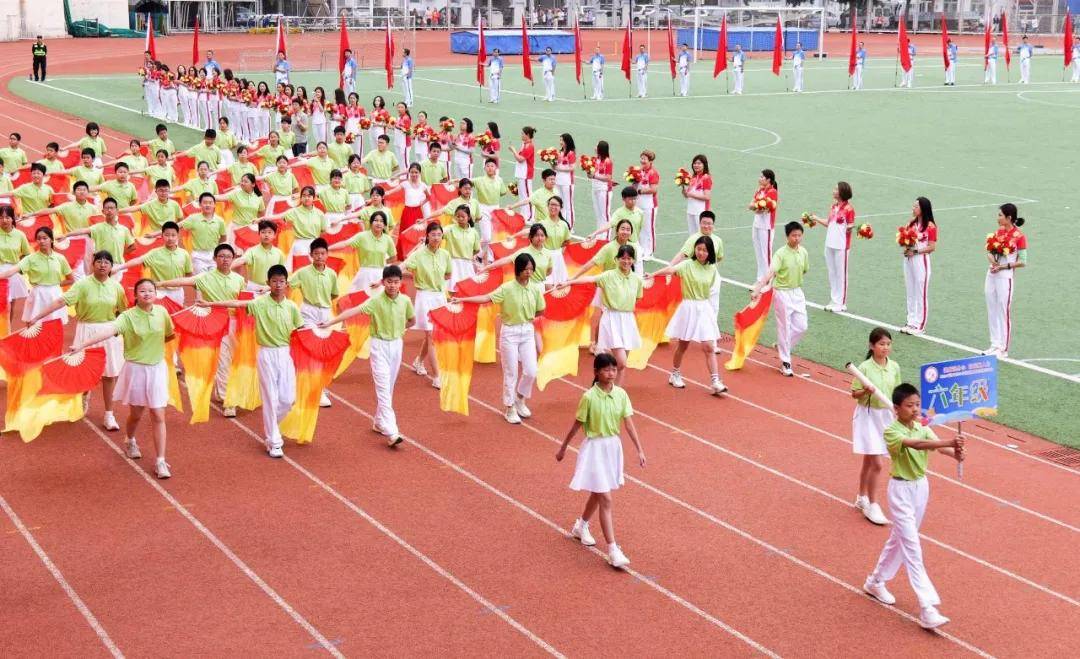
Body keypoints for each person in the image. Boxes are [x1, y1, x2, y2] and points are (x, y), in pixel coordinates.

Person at [863, 383, 964, 630]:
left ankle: (875, 581)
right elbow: (917, 445)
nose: (915, 409)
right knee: (912, 546)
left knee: (898, 540)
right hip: (900, 491)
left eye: (917, 404)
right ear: (897, 409)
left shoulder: (922, 427)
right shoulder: (892, 432)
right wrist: (948, 441)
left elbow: (940, 448)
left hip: (921, 488)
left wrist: (957, 452)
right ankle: (927, 607)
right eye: (910, 406)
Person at [68, 279, 176, 479]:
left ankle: (160, 461)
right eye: (142, 290)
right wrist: (83, 344)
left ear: (156, 294)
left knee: (158, 415)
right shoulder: (127, 317)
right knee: (136, 414)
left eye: (150, 290)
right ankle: (130, 439)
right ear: (135, 295)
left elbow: (170, 335)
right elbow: (107, 331)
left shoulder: (162, 313)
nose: (146, 293)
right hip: (136, 369)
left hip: (157, 369)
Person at [200, 264, 302, 457]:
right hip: (266, 354)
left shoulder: (292, 307)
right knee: (270, 397)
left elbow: (300, 331)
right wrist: (209, 304)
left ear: (287, 284)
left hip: (284, 354)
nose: (278, 285)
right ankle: (274, 441)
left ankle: (273, 427)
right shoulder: (260, 303)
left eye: (281, 281)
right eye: (274, 281)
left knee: (288, 400)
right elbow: (237, 303)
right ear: (268, 283)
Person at [556, 352, 645, 570]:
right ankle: (613, 550)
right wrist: (563, 448)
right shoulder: (588, 397)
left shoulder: (622, 394)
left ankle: (581, 526)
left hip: (613, 447)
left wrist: (639, 450)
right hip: (594, 448)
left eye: (613, 369)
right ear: (596, 372)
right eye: (606, 370)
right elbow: (577, 425)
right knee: (606, 498)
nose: (611, 373)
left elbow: (629, 424)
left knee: (597, 494)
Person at [27, 251, 126, 430]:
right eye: (99, 261)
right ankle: (84, 396)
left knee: (109, 375)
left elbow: (123, 312)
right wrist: (37, 317)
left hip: (108, 331)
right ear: (93, 264)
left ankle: (109, 414)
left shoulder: (116, 287)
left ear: (111, 267)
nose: (103, 265)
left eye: (107, 262)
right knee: (85, 372)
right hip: (86, 330)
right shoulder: (82, 285)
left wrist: (120, 332)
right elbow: (60, 302)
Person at [323, 264, 414, 446]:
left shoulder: (405, 301)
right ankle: (392, 431)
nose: (393, 285)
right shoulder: (375, 301)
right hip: (379, 346)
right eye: (389, 282)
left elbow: (411, 321)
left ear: (401, 283)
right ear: (383, 282)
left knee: (389, 387)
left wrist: (399, 330)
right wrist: (330, 322)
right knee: (383, 389)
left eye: (396, 282)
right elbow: (353, 311)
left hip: (396, 345)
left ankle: (379, 422)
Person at [453, 253, 546, 424]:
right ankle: (509, 407)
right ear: (518, 270)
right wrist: (463, 299)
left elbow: (541, 310)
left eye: (531, 269)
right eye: (526, 269)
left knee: (532, 371)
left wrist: (530, 317)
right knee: (511, 372)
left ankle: (520, 398)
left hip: (527, 331)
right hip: (510, 332)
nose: (529, 272)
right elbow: (486, 298)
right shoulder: (506, 288)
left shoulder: (535, 289)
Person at [157, 243, 246, 416]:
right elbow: (183, 281)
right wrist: (159, 283)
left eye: (228, 256)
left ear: (233, 259)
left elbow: (244, 300)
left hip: (234, 323)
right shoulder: (204, 277)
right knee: (223, 360)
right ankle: (228, 401)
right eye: (221, 256)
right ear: (214, 259)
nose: (225, 260)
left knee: (233, 360)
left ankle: (223, 392)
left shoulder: (239, 280)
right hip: (213, 323)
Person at [648, 237, 727, 395]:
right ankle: (675, 373)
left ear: (709, 252)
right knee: (683, 345)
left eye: (704, 250)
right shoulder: (687, 265)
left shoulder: (712, 269)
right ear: (694, 250)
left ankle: (715, 381)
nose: (701, 253)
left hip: (704, 308)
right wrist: (653, 274)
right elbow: (670, 269)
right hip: (688, 307)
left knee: (709, 346)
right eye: (698, 249)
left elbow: (712, 288)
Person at [560, 244, 642, 384]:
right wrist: (570, 282)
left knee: (622, 364)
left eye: (629, 258)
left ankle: (616, 392)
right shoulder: (608, 276)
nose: (626, 261)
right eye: (623, 258)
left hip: (628, 319)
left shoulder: (636, 280)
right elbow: (589, 279)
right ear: (616, 260)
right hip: (612, 318)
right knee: (621, 362)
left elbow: (638, 298)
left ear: (633, 260)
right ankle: (601, 380)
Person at [851, 328, 900, 526]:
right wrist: (865, 390)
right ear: (872, 346)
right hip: (868, 416)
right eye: (881, 344)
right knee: (878, 464)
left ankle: (861, 496)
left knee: (868, 461)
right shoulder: (864, 368)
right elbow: (854, 394)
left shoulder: (894, 367)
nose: (885, 347)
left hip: (886, 417)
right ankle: (873, 504)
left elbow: (896, 392)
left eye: (888, 344)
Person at [751, 222, 808, 377]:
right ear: (787, 237)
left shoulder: (803, 252)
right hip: (782, 293)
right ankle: (785, 362)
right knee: (785, 327)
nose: (797, 238)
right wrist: (758, 288)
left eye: (799, 235)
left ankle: (782, 345)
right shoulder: (780, 254)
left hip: (797, 292)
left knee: (802, 326)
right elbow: (771, 272)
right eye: (793, 235)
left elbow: (804, 270)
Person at [289, 238, 339, 407]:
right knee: (310, 349)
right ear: (310, 255)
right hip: (307, 312)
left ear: (327, 254)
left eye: (322, 253)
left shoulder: (331, 274)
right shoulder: (303, 272)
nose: (319, 256)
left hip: (325, 313)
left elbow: (333, 294)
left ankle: (320, 389)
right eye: (316, 253)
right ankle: (305, 387)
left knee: (323, 352)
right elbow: (287, 284)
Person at [404, 222, 451, 388]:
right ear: (427, 236)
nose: (436, 238)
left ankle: (418, 361)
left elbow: (448, 274)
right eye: (433, 235)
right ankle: (437, 376)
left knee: (431, 335)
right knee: (432, 336)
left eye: (439, 235)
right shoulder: (419, 254)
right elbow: (405, 266)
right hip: (424, 297)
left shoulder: (445, 254)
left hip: (439, 297)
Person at [0, 226, 73, 326]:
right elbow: (12, 271)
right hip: (37, 295)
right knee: (34, 328)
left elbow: (70, 279)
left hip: (55, 295)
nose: (42, 241)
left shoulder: (60, 258)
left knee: (54, 327)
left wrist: (54, 285)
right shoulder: (30, 258)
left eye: (45, 238)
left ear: (51, 239)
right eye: (39, 239)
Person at [983, 203, 1028, 358]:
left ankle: (1003, 348)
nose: (998, 218)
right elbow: (989, 251)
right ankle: (994, 344)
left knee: (1003, 310)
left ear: (1009, 218)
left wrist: (1003, 266)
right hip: (992, 273)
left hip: (1005, 277)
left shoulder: (1019, 236)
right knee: (992, 308)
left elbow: (1023, 261)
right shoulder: (998, 232)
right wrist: (993, 261)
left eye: (1000, 215)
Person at [113, 221, 192, 304]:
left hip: (177, 292)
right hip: (159, 292)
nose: (170, 238)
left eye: (173, 235)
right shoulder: (154, 253)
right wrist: (118, 268)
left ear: (178, 236)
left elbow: (189, 274)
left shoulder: (184, 254)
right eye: (167, 235)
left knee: (175, 315)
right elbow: (138, 260)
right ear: (162, 236)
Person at [805, 181, 855, 312]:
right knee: (832, 272)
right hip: (829, 243)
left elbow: (850, 225)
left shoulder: (849, 209)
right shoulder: (833, 207)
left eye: (835, 189)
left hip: (841, 246)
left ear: (842, 192)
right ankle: (834, 299)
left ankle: (841, 303)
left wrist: (854, 228)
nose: (833, 191)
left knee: (841, 273)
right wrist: (815, 218)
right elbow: (828, 223)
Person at [901, 197, 937, 335]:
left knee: (920, 293)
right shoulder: (910, 223)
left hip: (921, 260)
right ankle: (910, 321)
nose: (913, 208)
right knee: (910, 290)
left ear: (923, 208)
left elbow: (932, 247)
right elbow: (904, 239)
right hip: (909, 260)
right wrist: (906, 247)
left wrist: (915, 251)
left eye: (916, 206)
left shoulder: (930, 226)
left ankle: (920, 325)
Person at [178, 193, 227, 273]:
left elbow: (224, 237)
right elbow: (177, 226)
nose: (207, 205)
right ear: (200, 204)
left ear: (214, 204)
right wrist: (180, 243)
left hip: (214, 255)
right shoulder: (193, 218)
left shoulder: (219, 220)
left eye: (210, 203)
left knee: (213, 279)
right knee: (201, 280)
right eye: (205, 203)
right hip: (198, 255)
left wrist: (215, 245)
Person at [748, 169, 778, 280]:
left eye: (762, 177)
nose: (759, 179)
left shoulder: (772, 192)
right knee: (759, 253)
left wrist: (757, 207)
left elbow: (765, 209)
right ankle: (760, 279)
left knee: (766, 255)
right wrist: (757, 206)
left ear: (768, 179)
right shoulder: (759, 190)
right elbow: (750, 205)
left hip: (766, 227)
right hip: (756, 224)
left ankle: (769, 281)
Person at [633, 150, 660, 258]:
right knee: (640, 228)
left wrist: (640, 191)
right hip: (639, 203)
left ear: (650, 161)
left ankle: (649, 252)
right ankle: (641, 249)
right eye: (641, 158)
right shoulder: (639, 171)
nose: (642, 160)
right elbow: (635, 185)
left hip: (649, 205)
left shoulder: (653, 173)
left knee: (649, 228)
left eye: (644, 159)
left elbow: (654, 189)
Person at [508, 127, 536, 219]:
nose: (521, 135)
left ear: (527, 135)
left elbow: (520, 159)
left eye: (523, 133)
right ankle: (524, 215)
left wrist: (513, 151)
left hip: (526, 175)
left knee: (527, 196)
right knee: (522, 195)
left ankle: (530, 217)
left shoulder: (530, 146)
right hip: (521, 174)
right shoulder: (524, 144)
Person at [681, 154, 712, 236]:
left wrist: (691, 195)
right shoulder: (693, 178)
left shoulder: (706, 178)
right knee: (693, 236)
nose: (696, 165)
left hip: (701, 211)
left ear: (704, 165)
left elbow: (707, 196)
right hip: (691, 210)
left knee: (702, 236)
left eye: (699, 163)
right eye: (694, 163)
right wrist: (685, 193)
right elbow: (688, 195)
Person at [587, 141, 614, 231]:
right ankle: (600, 234)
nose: (595, 147)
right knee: (598, 213)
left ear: (601, 149)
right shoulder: (596, 159)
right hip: (595, 188)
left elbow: (608, 177)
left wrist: (594, 176)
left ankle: (606, 236)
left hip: (604, 190)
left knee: (605, 214)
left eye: (597, 146)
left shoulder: (607, 161)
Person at [554, 133, 577, 228]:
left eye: (562, 141)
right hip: (558, 181)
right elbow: (555, 167)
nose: (560, 142)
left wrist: (559, 168)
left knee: (568, 205)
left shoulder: (571, 153)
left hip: (567, 182)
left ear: (567, 141)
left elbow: (573, 167)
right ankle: (561, 223)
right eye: (560, 140)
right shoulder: (560, 153)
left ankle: (570, 226)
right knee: (560, 203)